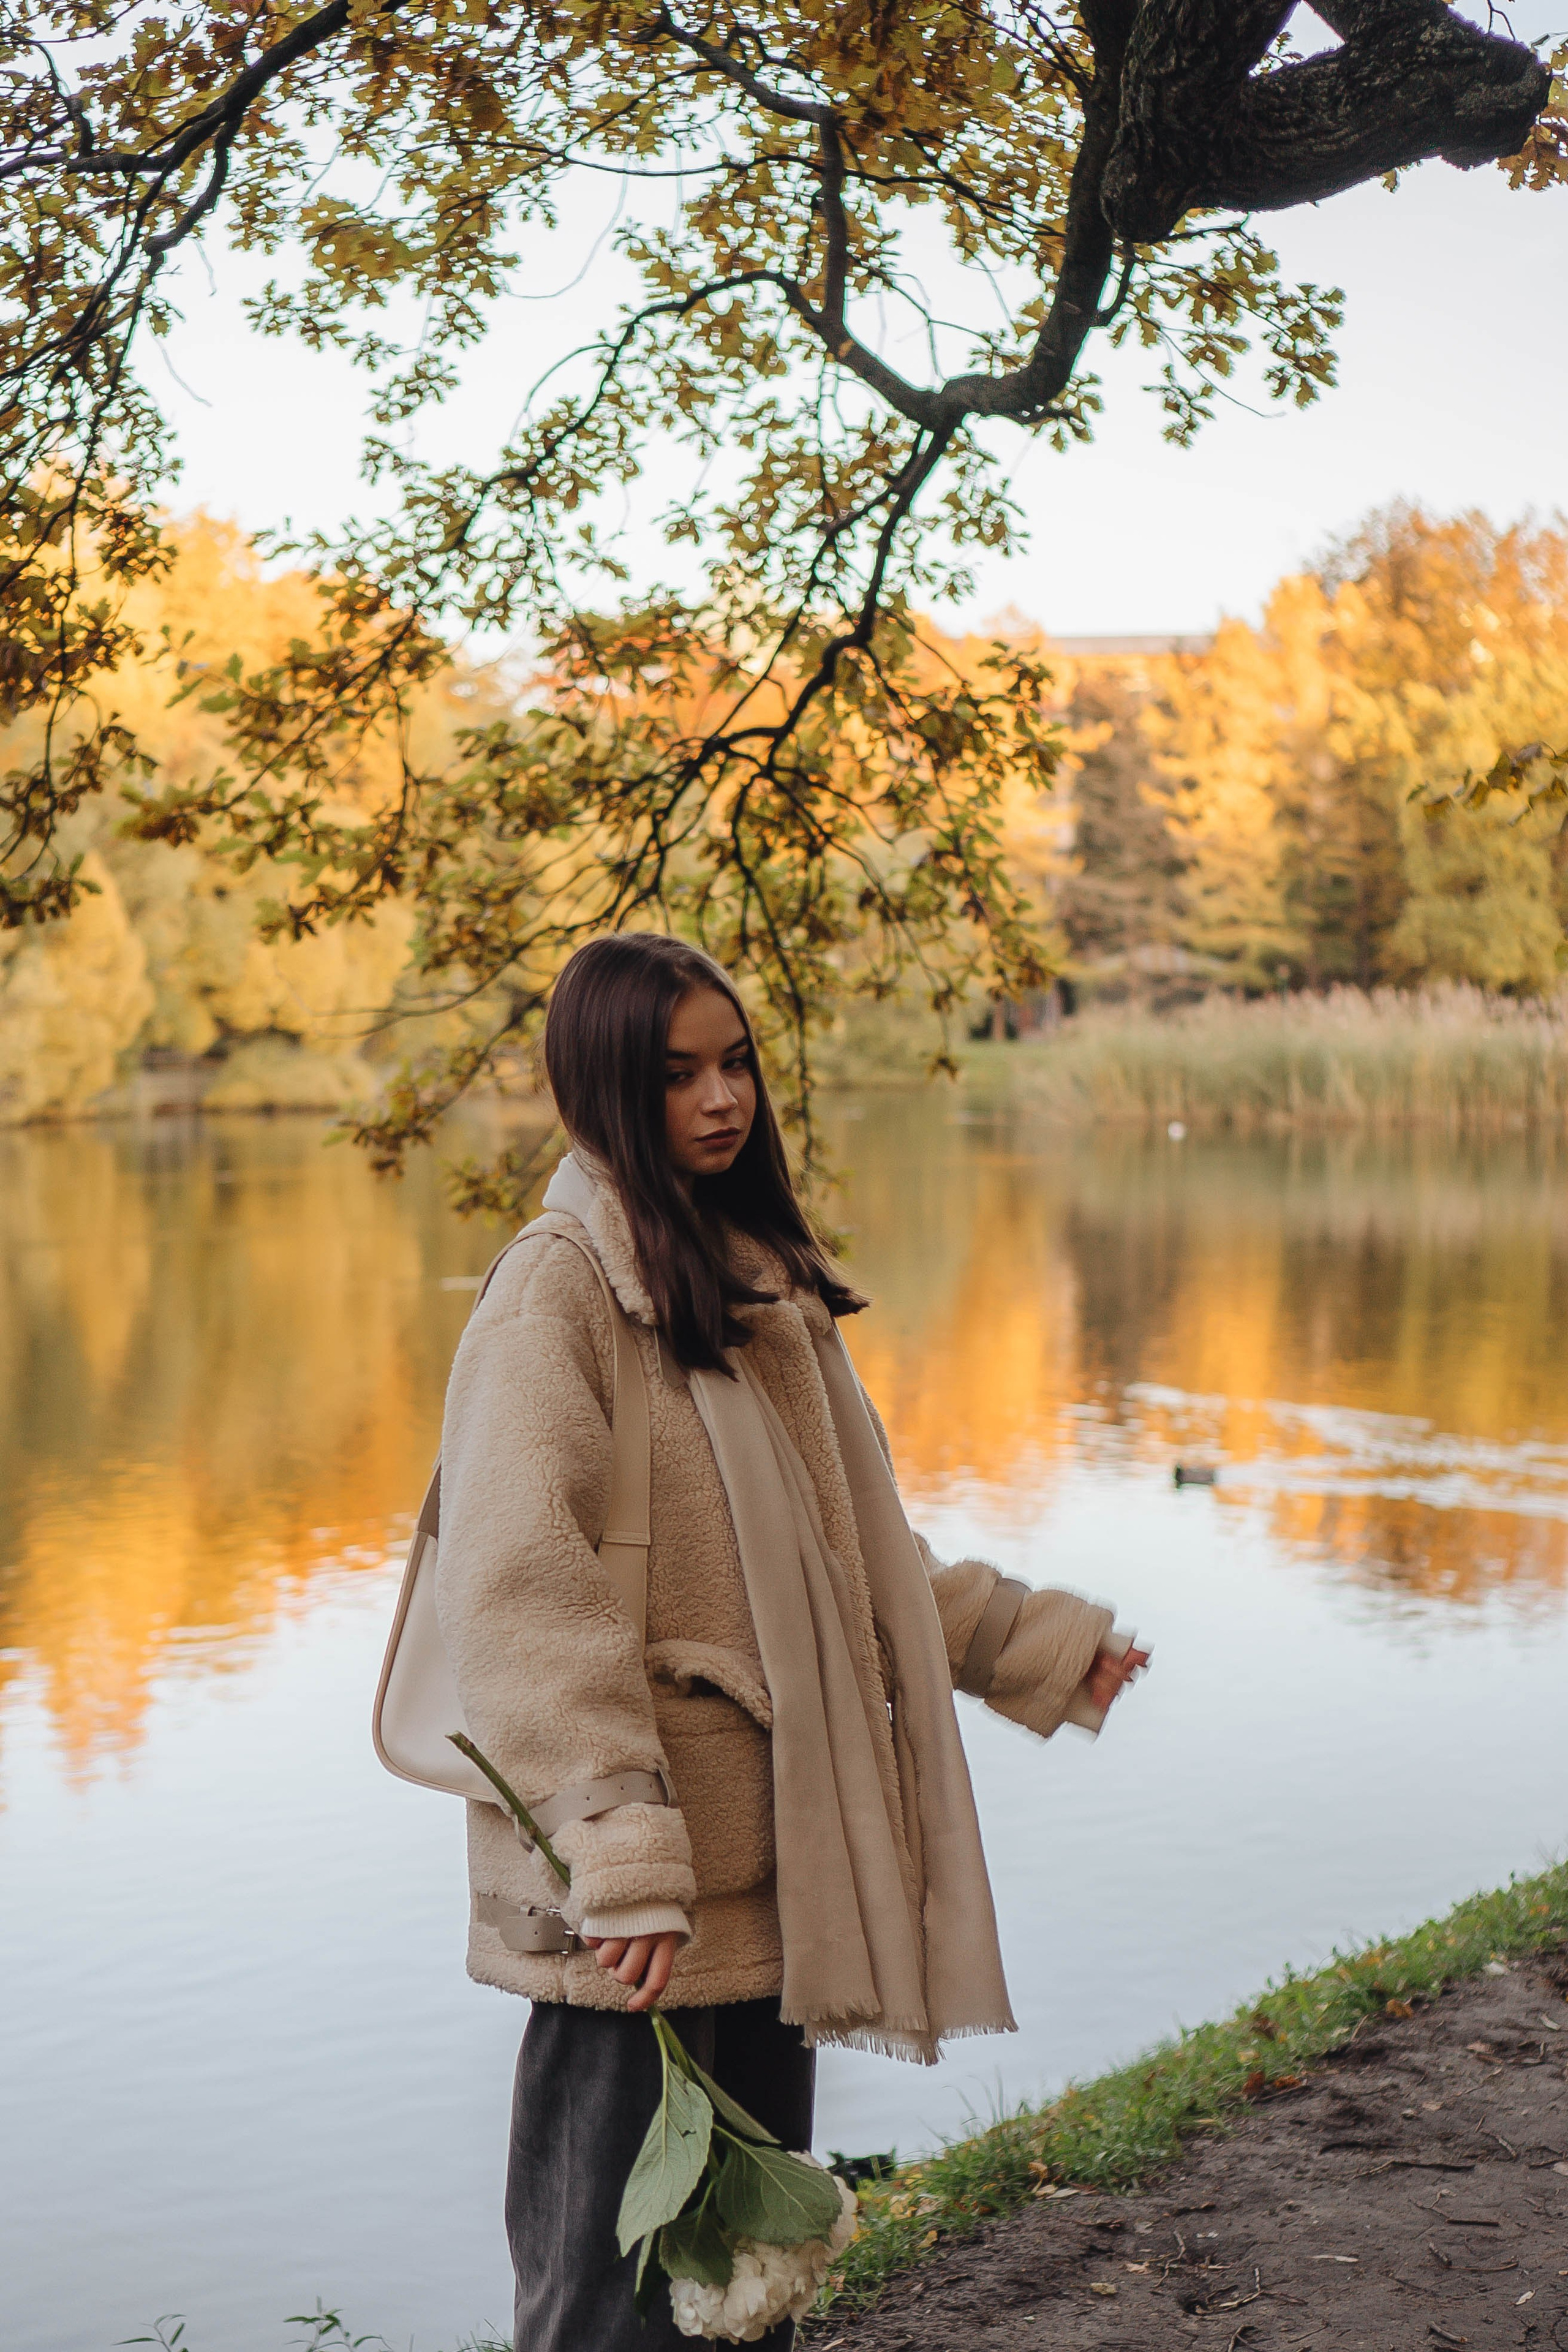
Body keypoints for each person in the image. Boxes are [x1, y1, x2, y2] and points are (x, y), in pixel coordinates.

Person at [434, 932, 1148, 2351]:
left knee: (742, 2282)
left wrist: (1025, 1647)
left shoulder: (756, 1278)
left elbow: (850, 1562)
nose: (720, 1099)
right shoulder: (555, 1290)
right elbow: (518, 1591)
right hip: (633, 1888)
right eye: (675, 1074)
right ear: (599, 1091)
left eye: (734, 1063)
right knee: (603, 2301)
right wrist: (618, 1855)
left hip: (768, 1862)